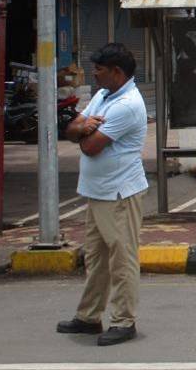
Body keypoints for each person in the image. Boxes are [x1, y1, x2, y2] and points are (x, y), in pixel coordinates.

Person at [56, 43, 148, 347]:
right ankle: (89, 316)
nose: (94, 74)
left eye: (100, 69)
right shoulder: (104, 95)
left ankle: (124, 321)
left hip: (119, 192)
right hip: (97, 191)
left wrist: (83, 131)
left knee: (121, 259)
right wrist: (83, 127)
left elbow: (89, 146)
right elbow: (70, 130)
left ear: (117, 72)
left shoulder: (127, 105)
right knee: (96, 258)